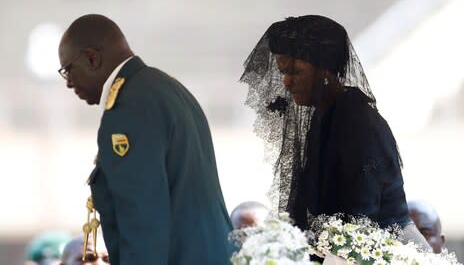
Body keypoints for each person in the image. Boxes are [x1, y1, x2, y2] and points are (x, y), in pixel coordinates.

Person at [240, 15, 430, 249]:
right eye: (283, 72)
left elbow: (360, 221)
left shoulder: (356, 123)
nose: (287, 82)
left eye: (296, 71)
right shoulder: (325, 115)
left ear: (325, 72)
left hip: (388, 252)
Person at [57, 14, 234, 264]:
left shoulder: (129, 106)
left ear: (91, 58)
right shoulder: (165, 88)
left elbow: (143, 221)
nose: (68, 83)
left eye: (68, 70)